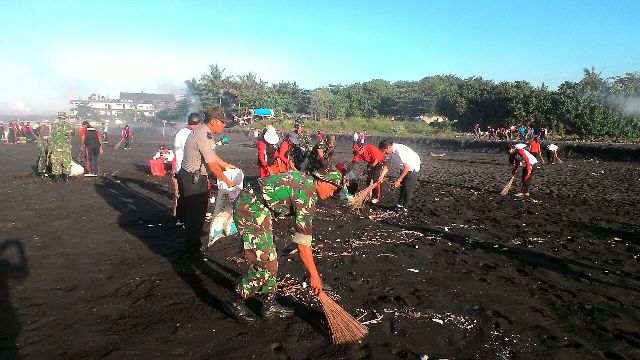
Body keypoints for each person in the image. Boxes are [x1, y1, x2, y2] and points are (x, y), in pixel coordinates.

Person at [224, 169, 345, 322]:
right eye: (333, 187)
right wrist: (314, 275)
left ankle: (269, 304)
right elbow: (302, 243)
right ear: (321, 180)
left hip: (259, 206)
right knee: (265, 263)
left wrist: (311, 274)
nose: (333, 193)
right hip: (249, 207)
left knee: (271, 260)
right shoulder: (306, 194)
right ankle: (234, 299)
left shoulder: (307, 184)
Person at [176, 107, 236, 260]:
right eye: (223, 122)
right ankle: (192, 250)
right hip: (193, 178)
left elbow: (212, 156)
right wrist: (228, 182)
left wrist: (226, 165)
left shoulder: (204, 132)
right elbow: (211, 165)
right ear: (214, 121)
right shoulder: (204, 135)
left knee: (197, 213)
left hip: (192, 176)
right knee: (196, 215)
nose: (224, 125)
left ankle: (193, 244)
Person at [173, 113, 202, 226]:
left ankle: (180, 219)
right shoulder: (191, 134)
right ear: (199, 123)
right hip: (188, 168)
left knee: (183, 195)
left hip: (180, 167)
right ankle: (188, 220)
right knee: (191, 196)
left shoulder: (180, 133)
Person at [379, 140, 421, 211]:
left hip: (412, 167)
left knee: (407, 188)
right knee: (402, 187)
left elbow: (407, 167)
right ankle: (399, 205)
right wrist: (382, 176)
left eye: (385, 151)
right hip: (403, 167)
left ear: (389, 147)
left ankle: (405, 208)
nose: (384, 153)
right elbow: (387, 164)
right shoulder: (389, 152)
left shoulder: (400, 151)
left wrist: (398, 180)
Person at [49, 112, 74, 182]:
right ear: (65, 117)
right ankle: (66, 177)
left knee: (56, 161)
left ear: (58, 117)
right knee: (66, 160)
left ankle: (57, 177)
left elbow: (51, 136)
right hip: (66, 146)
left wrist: (50, 146)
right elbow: (73, 133)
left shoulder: (54, 124)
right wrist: (69, 121)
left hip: (56, 146)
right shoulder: (68, 125)